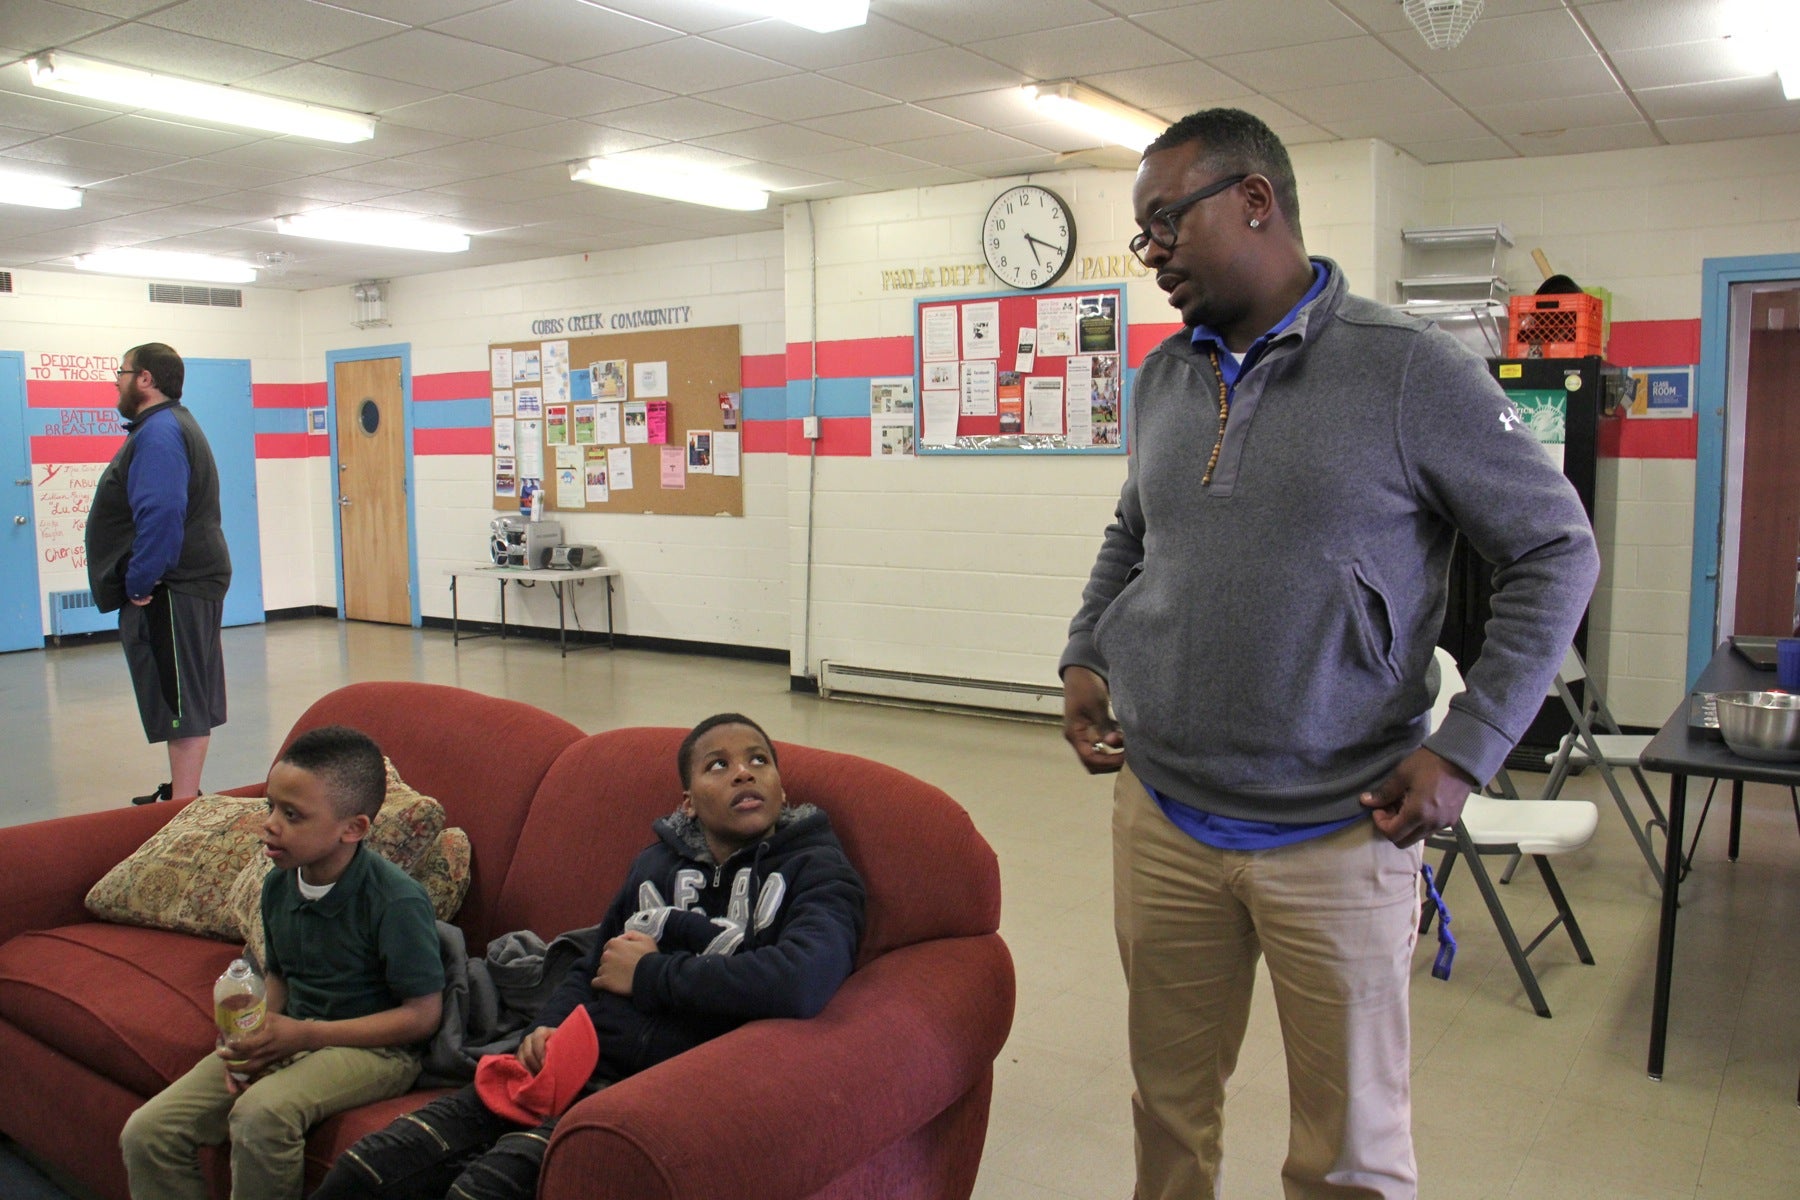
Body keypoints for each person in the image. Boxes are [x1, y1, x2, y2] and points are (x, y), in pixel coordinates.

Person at [1059, 108, 1599, 1199]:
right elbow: (1135, 530)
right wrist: (1087, 650)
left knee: (1350, 1151)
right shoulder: (1168, 376)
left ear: (1255, 199)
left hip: (1341, 833)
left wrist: (1468, 748)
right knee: (1168, 1109)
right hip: (1162, 817)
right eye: (1142, 234)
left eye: (1166, 222)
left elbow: (1556, 547)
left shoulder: (1407, 372)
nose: (1152, 254)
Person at [310, 713, 867, 1200]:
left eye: (758, 760)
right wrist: (550, 1025)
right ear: (688, 803)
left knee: (483, 1189)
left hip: (654, 1092)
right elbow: (591, 965)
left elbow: (801, 979)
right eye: (717, 765)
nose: (743, 772)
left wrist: (650, 974)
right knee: (371, 1166)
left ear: (781, 788)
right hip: (572, 1066)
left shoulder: (816, 868)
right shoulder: (654, 866)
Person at [120, 725, 446, 1200]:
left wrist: (304, 1034)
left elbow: (422, 1016)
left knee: (261, 1115)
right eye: (269, 806)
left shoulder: (396, 901)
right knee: (148, 1131)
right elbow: (279, 976)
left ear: (352, 829)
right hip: (295, 1031)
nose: (270, 824)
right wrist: (254, 1034)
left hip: (375, 1051)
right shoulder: (278, 882)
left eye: (292, 815)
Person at [84, 342, 232, 806]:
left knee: (180, 702)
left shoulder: (160, 433)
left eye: (122, 372)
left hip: (171, 587)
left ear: (145, 379)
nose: (116, 381)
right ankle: (181, 795)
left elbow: (162, 512)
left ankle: (182, 808)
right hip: (186, 583)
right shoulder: (168, 426)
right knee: (186, 698)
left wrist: (140, 580)